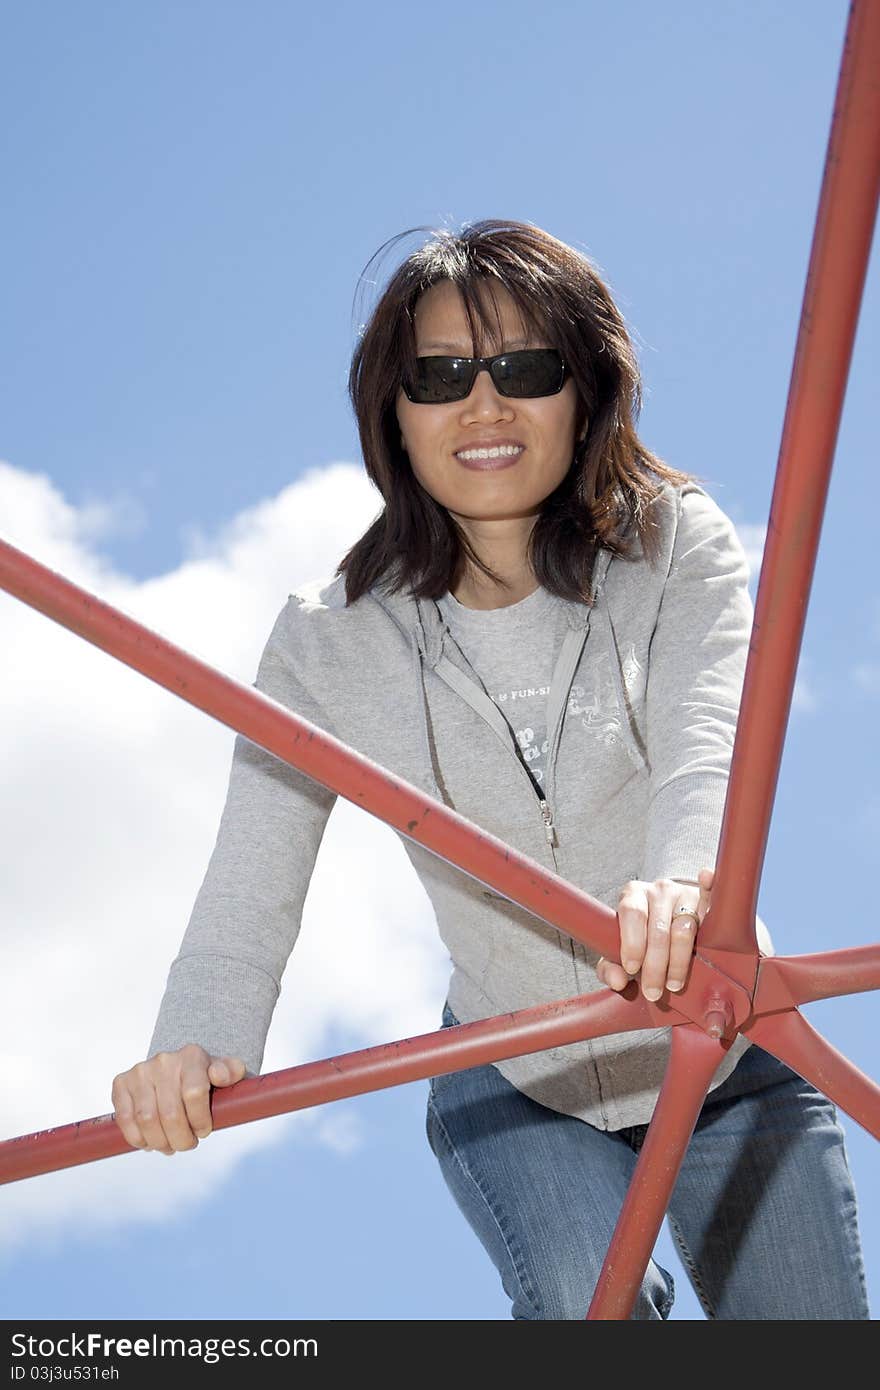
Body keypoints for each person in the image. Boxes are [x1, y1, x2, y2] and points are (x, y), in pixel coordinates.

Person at [111, 219, 870, 1320]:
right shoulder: (331, 640)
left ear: (585, 390)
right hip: (522, 1074)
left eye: (524, 367)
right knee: (582, 1305)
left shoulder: (675, 547)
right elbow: (249, 881)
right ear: (395, 409)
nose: (483, 405)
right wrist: (191, 1045)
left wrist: (684, 885)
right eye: (440, 374)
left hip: (727, 1045)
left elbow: (707, 745)